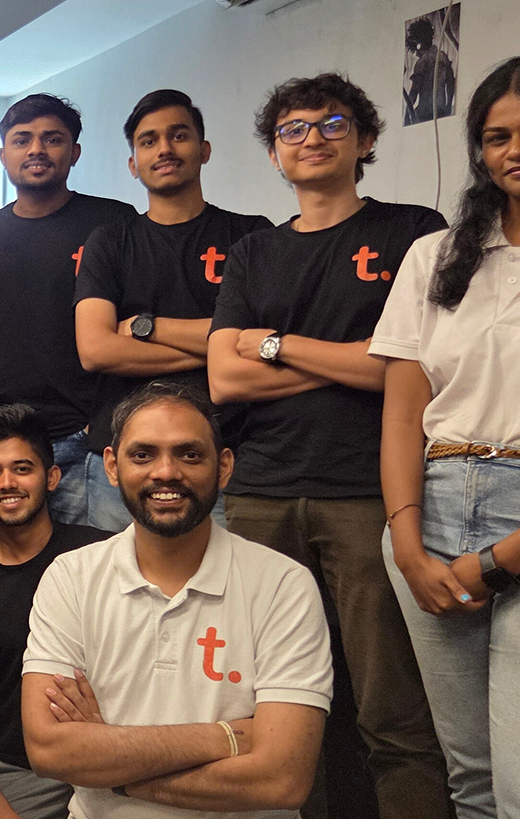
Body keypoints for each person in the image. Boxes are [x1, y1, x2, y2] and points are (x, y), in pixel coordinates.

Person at [207, 74, 451, 819]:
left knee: (391, 704)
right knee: (273, 702)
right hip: (261, 495)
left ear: (365, 139)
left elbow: (410, 367)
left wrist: (276, 344)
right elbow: (223, 378)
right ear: (274, 153)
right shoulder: (252, 252)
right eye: (293, 129)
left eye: (332, 123)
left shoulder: (415, 232)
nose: (312, 138)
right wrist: (356, 360)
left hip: (370, 493)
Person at [372, 51, 520, 819]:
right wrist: (406, 544)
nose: (516, 149)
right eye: (496, 136)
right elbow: (402, 412)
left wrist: (497, 563)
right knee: (474, 780)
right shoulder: (436, 256)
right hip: (431, 512)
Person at [20, 383, 332, 818]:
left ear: (224, 467)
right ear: (111, 466)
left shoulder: (283, 585)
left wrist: (111, 769)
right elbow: (49, 750)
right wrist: (224, 736)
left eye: (189, 455)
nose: (165, 472)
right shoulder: (71, 577)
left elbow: (282, 780)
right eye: (142, 455)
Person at [75, 89, 270, 532]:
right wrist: (219, 348)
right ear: (133, 164)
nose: (164, 148)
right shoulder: (109, 242)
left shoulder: (252, 236)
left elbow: (260, 343)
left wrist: (148, 328)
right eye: (149, 141)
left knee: (227, 578)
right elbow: (96, 350)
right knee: (118, 578)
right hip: (124, 460)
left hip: (226, 459)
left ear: (204, 150)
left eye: (178, 136)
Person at [0, 93, 135, 532]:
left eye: (52, 139)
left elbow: (130, 327)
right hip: (0, 443)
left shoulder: (113, 223)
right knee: (2, 565)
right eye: (22, 140)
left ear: (75, 152)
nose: (36, 150)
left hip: (90, 443)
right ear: (3, 155)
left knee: (99, 566)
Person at [0, 404, 108, 819]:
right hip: (17, 772)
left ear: (52, 477)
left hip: (107, 751)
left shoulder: (101, 554)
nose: (7, 483)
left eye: (22, 469)